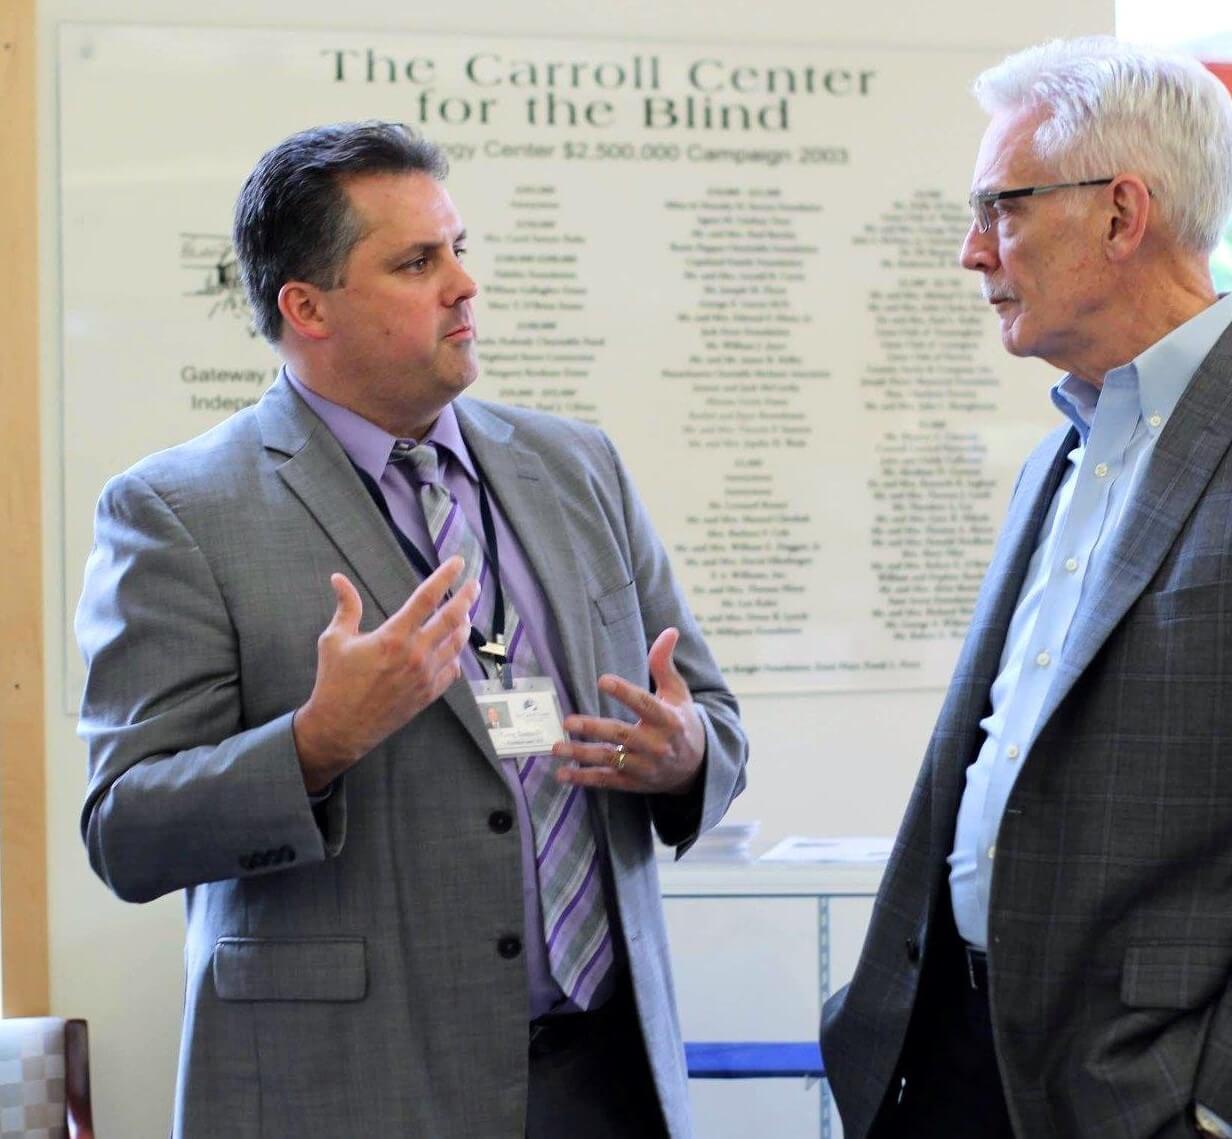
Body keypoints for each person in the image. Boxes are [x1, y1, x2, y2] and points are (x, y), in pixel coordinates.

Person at [821, 37, 1232, 1139]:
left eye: (1001, 207)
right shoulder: (1056, 453)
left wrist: (1230, 1110)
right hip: (960, 1064)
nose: (973, 253)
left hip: (1158, 1094)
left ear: (1121, 214)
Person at [75, 121, 748, 1139]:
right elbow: (125, 829)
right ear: (306, 307)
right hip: (350, 1085)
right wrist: (316, 742)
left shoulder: (578, 467)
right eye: (416, 262)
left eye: (459, 249)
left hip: (606, 1077)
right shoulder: (177, 511)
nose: (463, 285)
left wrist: (688, 750)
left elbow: (713, 718)